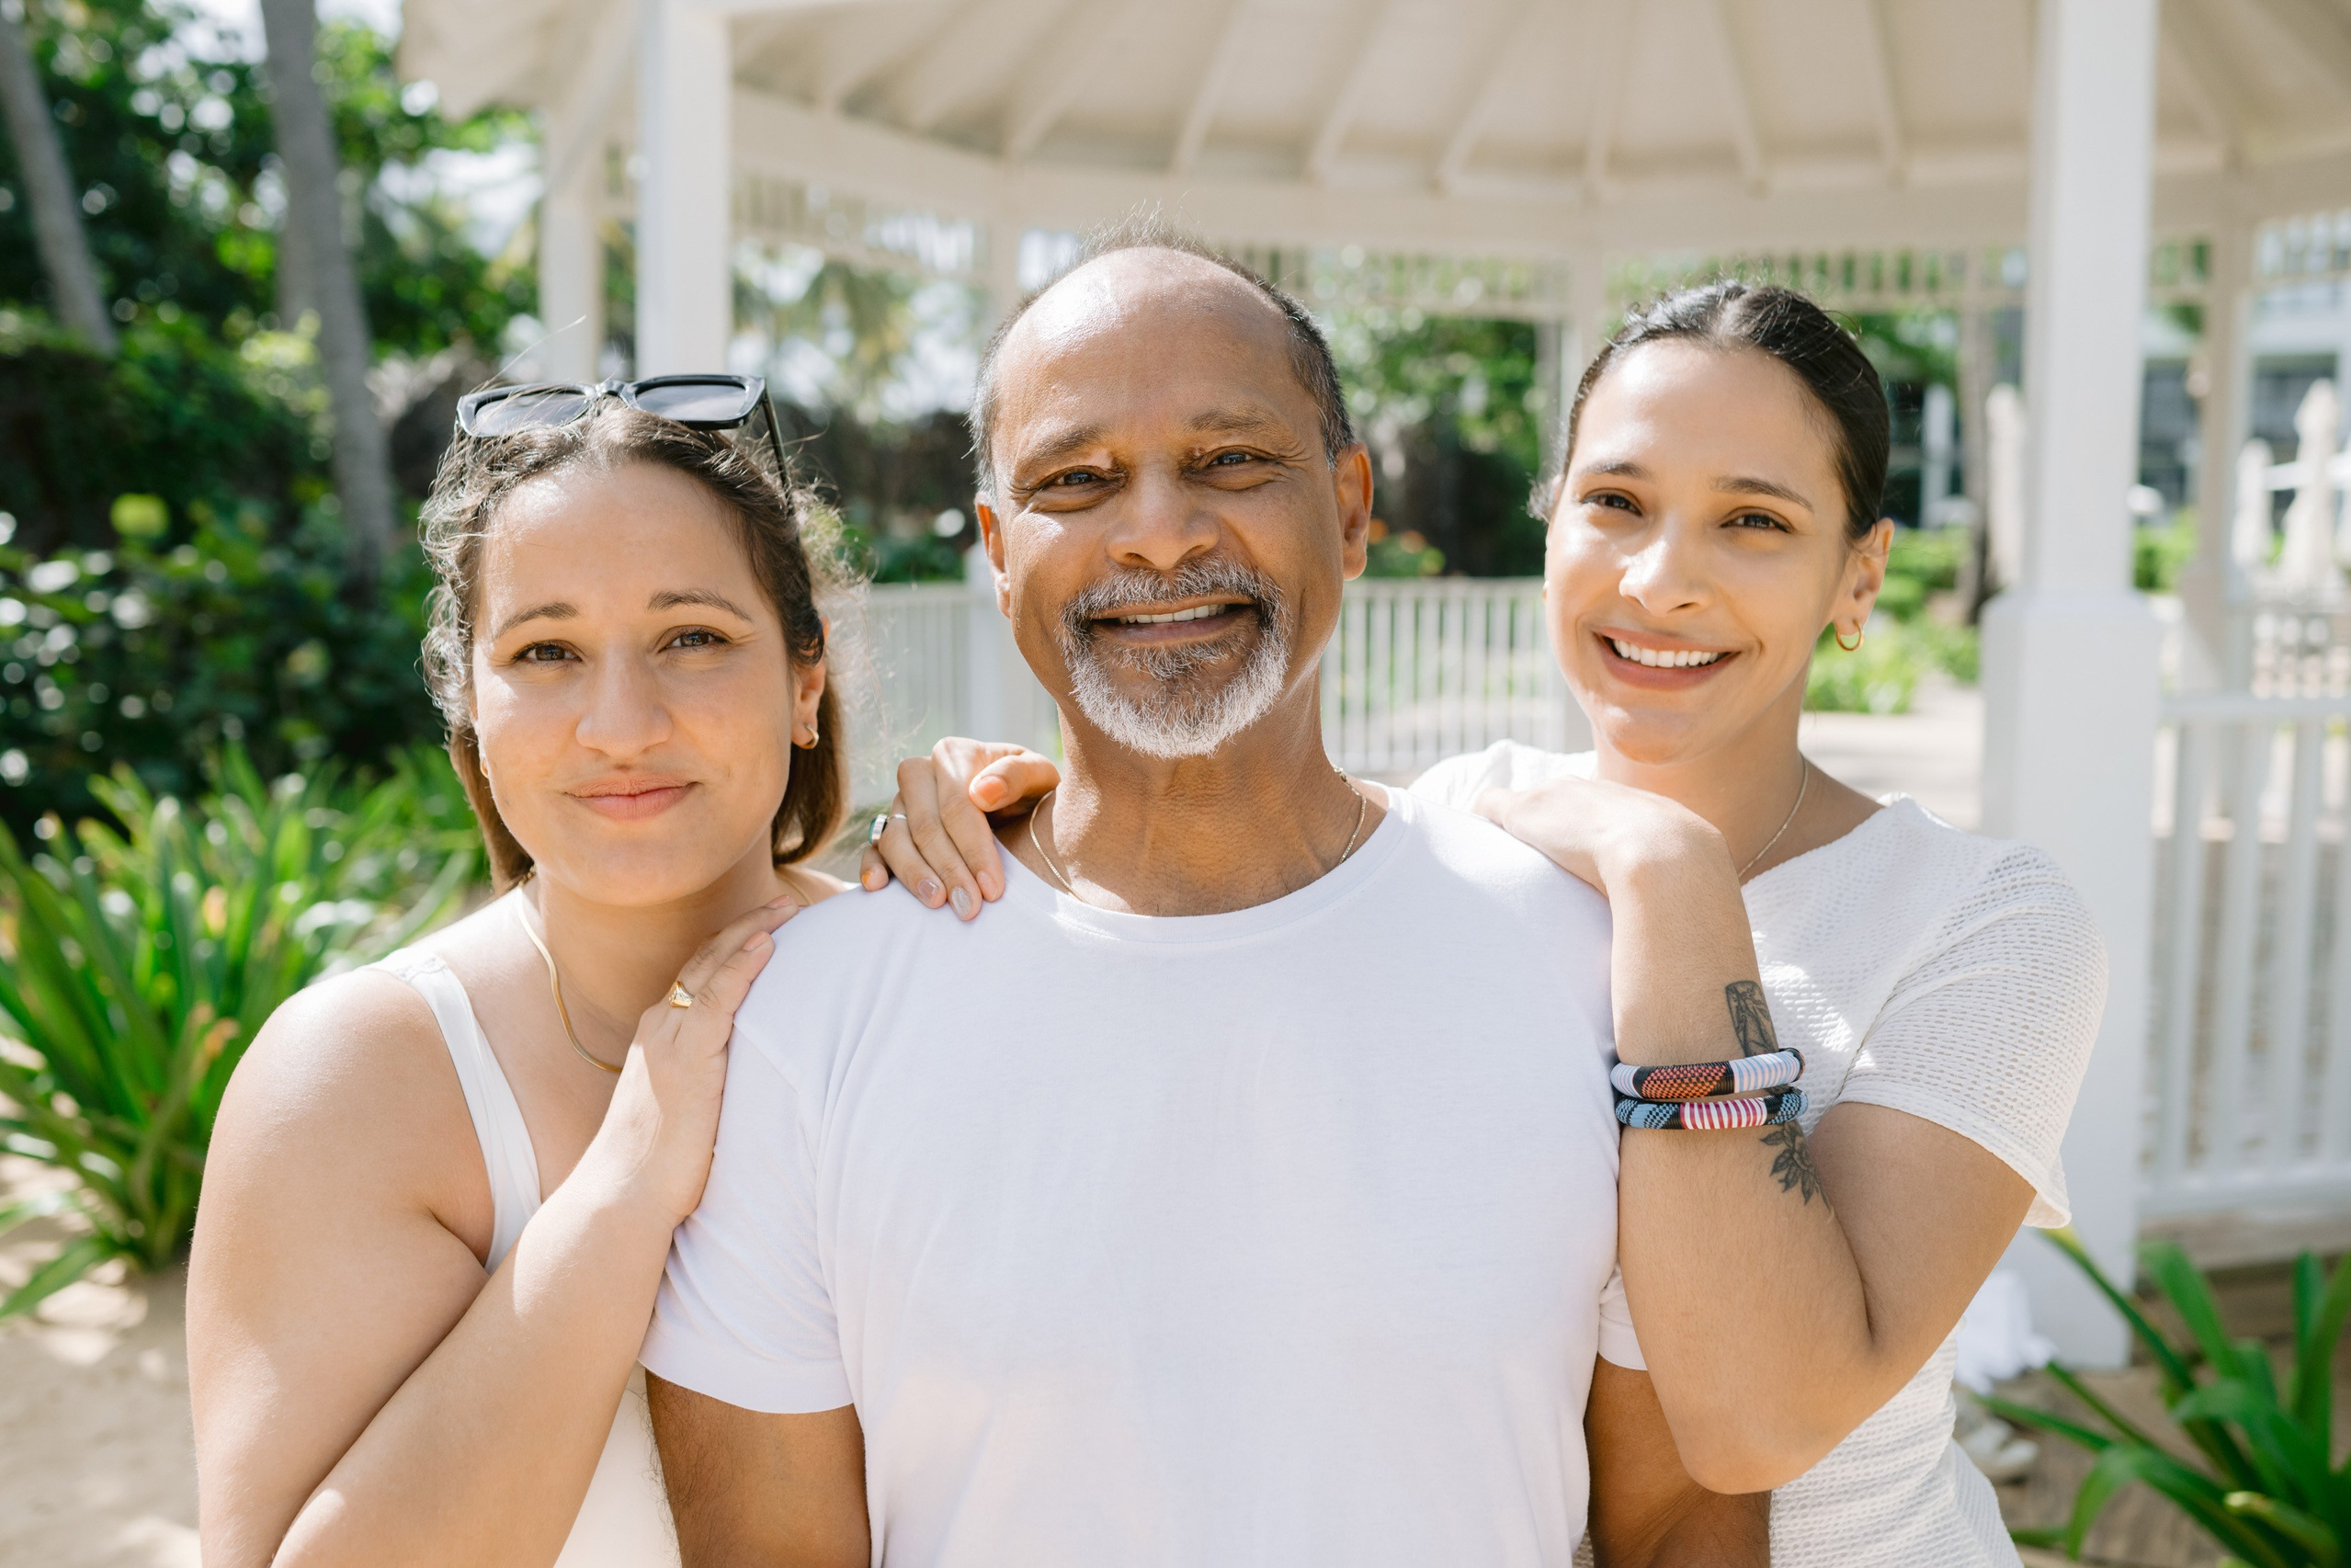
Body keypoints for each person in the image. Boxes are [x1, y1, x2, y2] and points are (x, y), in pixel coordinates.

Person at [869, 279, 2107, 1566]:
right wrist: (1003, 808)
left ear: (1859, 577)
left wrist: (1670, 883)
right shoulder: (1460, 829)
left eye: (1752, 521)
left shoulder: (1983, 926)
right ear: (1553, 527)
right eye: (1614, 504)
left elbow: (1757, 1423)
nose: (1661, 578)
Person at [641, 233, 1766, 1565]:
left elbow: (1687, 1513)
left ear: (1349, 508)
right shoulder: (808, 1019)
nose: (1161, 530)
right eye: (1078, 480)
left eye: (1232, 461)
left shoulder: (1587, 965)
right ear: (1000, 551)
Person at [186, 382, 849, 1568]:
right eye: (546, 651)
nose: (619, 722)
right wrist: (627, 1190)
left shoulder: (928, 984)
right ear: (471, 706)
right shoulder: (357, 1079)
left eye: (691, 637)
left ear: (805, 681)